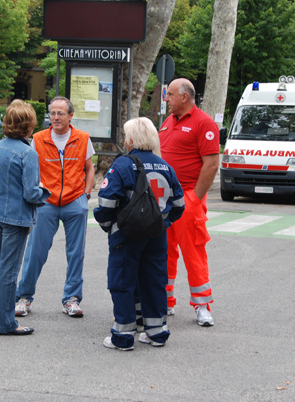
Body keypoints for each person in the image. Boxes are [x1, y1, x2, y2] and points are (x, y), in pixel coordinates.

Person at [94, 117, 184, 351]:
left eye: (126, 136)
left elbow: (106, 204)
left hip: (127, 234)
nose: (125, 140)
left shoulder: (123, 165)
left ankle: (122, 337)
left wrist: (109, 227)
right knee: (154, 281)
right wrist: (163, 224)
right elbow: (179, 205)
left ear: (132, 139)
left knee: (122, 281)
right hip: (156, 235)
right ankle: (157, 332)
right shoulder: (165, 166)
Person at [15, 96, 95, 318]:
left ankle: (71, 299)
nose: (56, 117)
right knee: (35, 252)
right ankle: (23, 297)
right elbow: (29, 170)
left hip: (75, 202)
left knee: (76, 253)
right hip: (46, 202)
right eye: (52, 113)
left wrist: (86, 195)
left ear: (71, 116)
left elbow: (90, 169)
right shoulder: (38, 139)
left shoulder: (83, 138)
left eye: (61, 113)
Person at [0, 100, 50, 336]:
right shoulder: (28, 153)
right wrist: (45, 192)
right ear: (28, 126)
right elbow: (31, 193)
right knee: (9, 271)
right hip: (15, 217)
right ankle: (6, 323)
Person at [159, 78, 220, 327]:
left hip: (187, 197)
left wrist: (194, 198)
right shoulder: (168, 121)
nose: (167, 99)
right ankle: (165, 300)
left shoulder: (204, 123)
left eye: (170, 94)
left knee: (193, 251)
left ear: (185, 97)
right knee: (164, 250)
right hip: (165, 198)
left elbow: (212, 164)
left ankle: (202, 305)